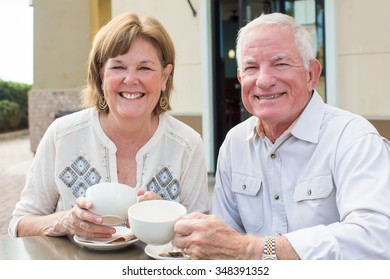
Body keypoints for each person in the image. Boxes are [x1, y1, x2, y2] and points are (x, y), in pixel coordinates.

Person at [173, 12, 390, 260]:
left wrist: (254, 250)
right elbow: (224, 242)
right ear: (241, 77)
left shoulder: (353, 138)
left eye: (280, 64)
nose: (264, 81)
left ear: (311, 74)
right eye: (251, 67)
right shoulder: (235, 143)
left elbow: (376, 240)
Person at [9, 12, 209, 238]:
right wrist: (65, 221)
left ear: (164, 77)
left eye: (145, 68)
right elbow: (20, 224)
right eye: (118, 67)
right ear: (100, 75)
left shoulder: (187, 145)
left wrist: (167, 218)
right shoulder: (62, 135)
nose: (131, 79)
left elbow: (201, 237)